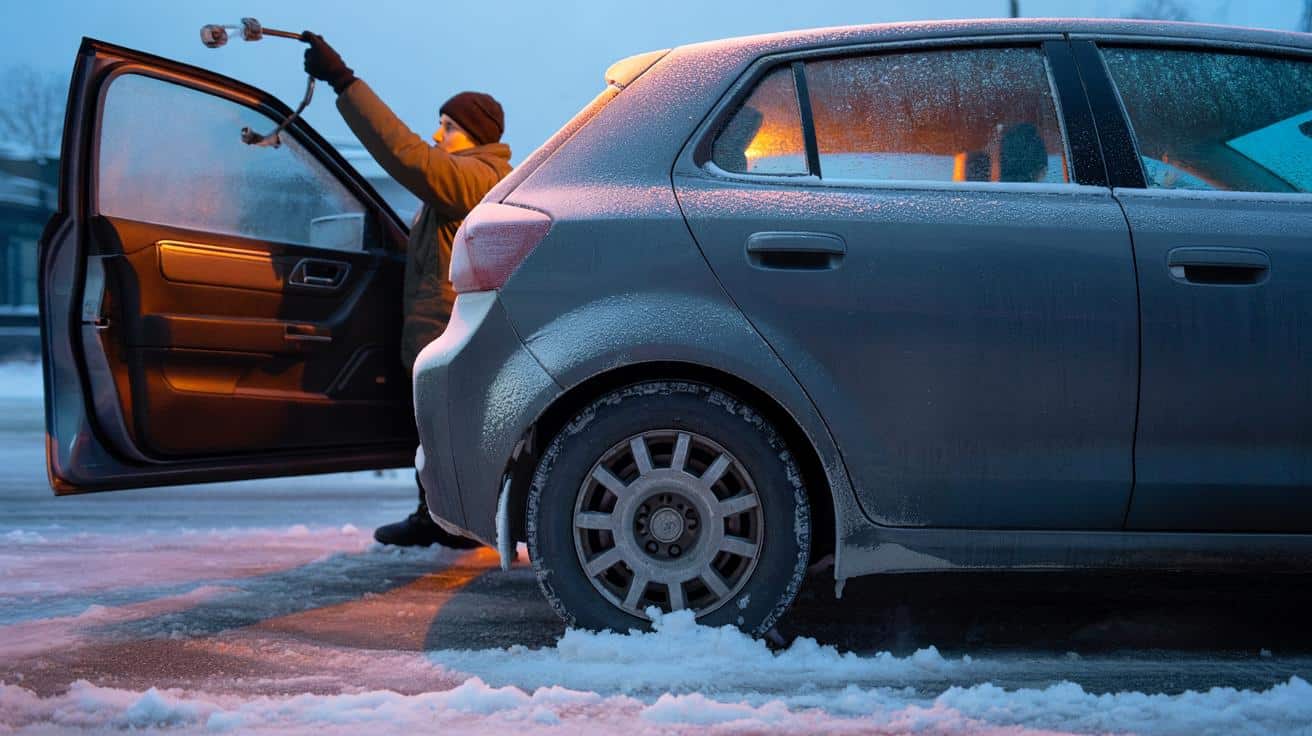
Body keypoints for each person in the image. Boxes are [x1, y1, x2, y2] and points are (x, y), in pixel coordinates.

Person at [303, 33, 513, 547]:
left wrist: (345, 83)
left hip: (450, 330)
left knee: (448, 430)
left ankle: (458, 523)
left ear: (476, 136)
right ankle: (435, 515)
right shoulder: (456, 182)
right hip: (433, 330)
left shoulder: (479, 177)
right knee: (433, 432)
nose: (439, 135)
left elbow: (409, 158)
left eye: (449, 128)